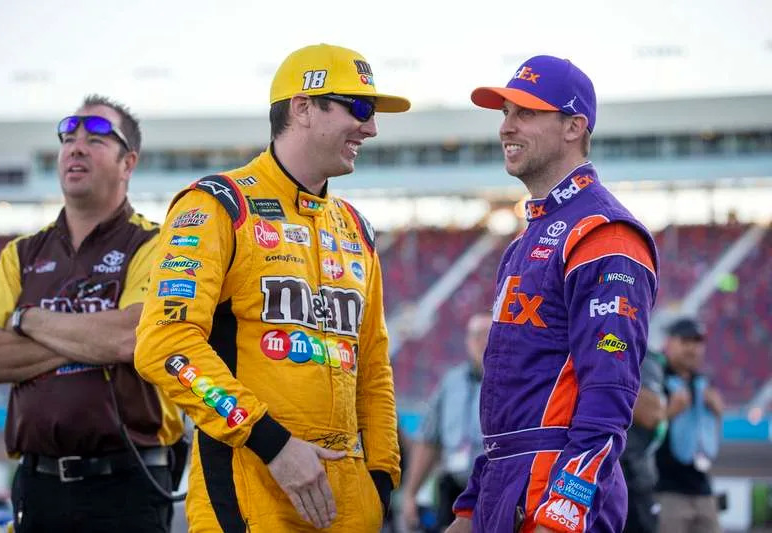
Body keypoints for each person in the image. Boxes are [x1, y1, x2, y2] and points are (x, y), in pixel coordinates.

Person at [133, 43, 410, 532]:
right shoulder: (218, 206)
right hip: (250, 494)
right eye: (360, 108)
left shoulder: (356, 229)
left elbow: (373, 367)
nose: (371, 128)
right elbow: (165, 344)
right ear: (303, 107)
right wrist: (273, 444)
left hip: (349, 505)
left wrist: (381, 479)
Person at [446, 55, 659, 533]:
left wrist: (565, 510)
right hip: (507, 487)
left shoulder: (605, 233)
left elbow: (609, 395)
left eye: (526, 112)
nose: (506, 126)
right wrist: (471, 507)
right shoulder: (526, 240)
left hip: (553, 497)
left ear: (573, 126)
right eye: (506, 112)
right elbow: (509, 409)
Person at [0, 95, 184, 532]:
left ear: (128, 163)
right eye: (68, 139)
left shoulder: (157, 244)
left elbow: (130, 337)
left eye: (96, 139)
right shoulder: (21, 253)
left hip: (130, 483)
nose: (77, 147)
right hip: (38, 484)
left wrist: (28, 321)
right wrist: (93, 339)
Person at [402, 312, 490, 531]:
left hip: (491, 487)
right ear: (468, 341)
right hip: (453, 487)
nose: (483, 341)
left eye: (489, 334)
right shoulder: (451, 383)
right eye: (477, 335)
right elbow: (429, 441)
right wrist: (411, 493)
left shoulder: (511, 383)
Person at [654, 317, 723, 533]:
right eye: (685, 341)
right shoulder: (655, 378)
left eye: (697, 342)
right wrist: (669, 412)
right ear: (670, 343)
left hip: (703, 489)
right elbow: (642, 428)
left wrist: (717, 412)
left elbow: (708, 437)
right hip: (666, 490)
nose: (692, 348)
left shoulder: (703, 382)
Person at [620, 349, 667, 533]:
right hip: (623, 474)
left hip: (635, 475)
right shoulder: (640, 357)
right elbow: (652, 415)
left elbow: (652, 415)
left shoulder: (647, 358)